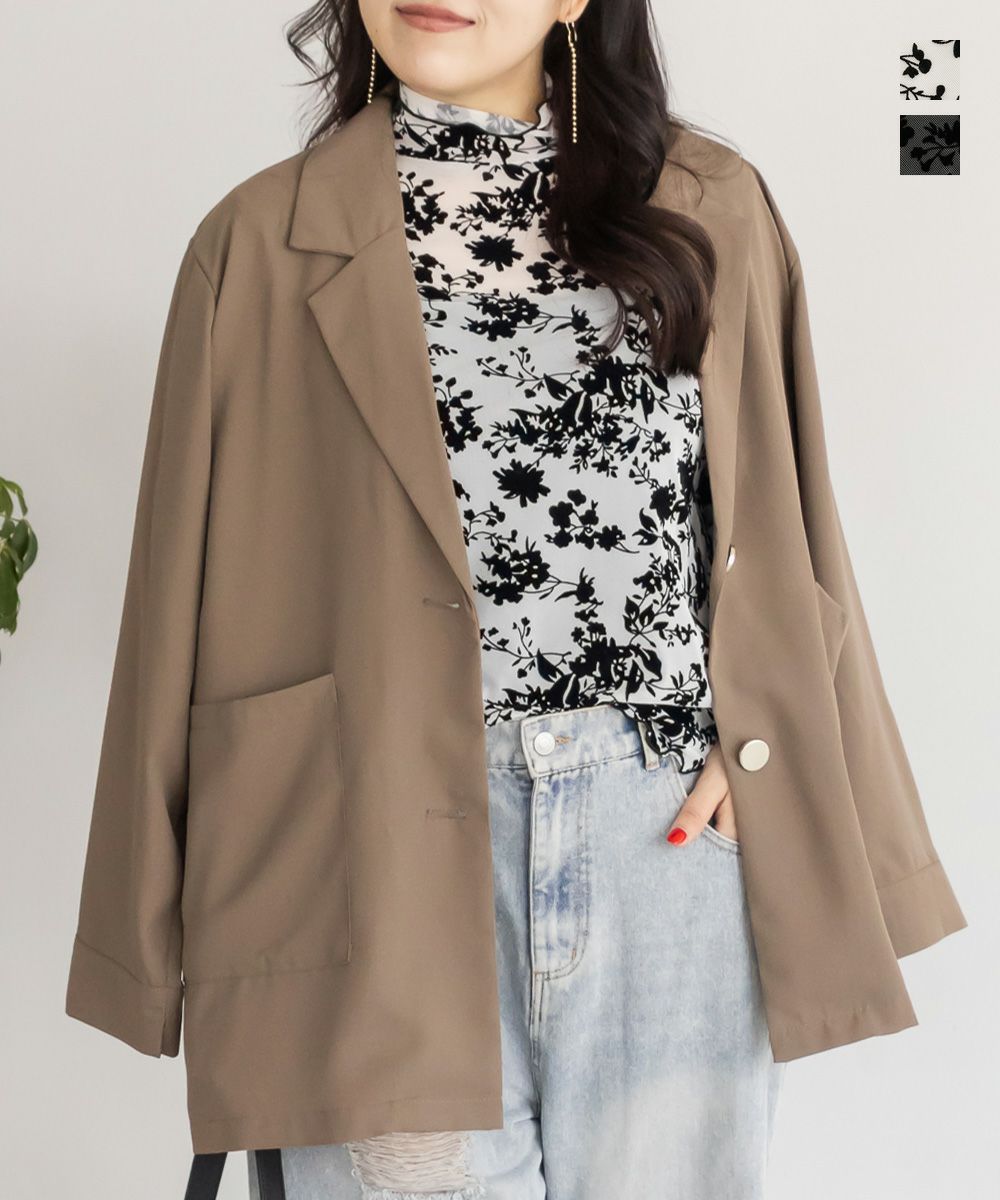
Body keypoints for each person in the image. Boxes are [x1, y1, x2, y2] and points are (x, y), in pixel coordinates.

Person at [64, 3, 967, 1198]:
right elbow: (171, 600)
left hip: (669, 855)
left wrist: (770, 750)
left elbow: (788, 519)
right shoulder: (256, 243)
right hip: (370, 865)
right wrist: (137, 940)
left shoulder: (712, 207)